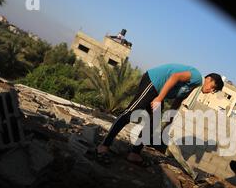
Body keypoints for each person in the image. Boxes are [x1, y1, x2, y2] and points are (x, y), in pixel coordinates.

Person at [96, 63, 224, 166]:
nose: (211, 91)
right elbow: (174, 77)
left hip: (159, 92)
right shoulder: (196, 77)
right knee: (130, 113)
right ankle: (104, 146)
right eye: (213, 87)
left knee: (154, 122)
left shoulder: (193, 89)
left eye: (214, 91)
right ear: (208, 79)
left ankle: (134, 153)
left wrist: (169, 121)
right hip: (153, 81)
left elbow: (178, 100)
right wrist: (159, 99)